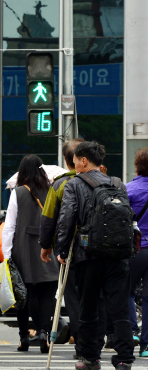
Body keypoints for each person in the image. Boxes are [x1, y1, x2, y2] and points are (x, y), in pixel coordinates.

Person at [56, 141, 135, 370]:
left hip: (87, 255)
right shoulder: (119, 184)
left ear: (83, 160)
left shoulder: (75, 185)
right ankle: (124, 359)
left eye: (75, 162)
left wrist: (62, 249)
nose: (73, 167)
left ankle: (90, 357)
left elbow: (67, 218)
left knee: (88, 308)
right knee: (119, 310)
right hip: (119, 255)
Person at [39, 138, 103, 360]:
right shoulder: (105, 181)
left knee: (74, 298)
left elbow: (49, 219)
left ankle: (82, 342)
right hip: (102, 249)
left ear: (70, 161)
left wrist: (46, 246)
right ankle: (98, 339)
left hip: (72, 252)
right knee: (98, 295)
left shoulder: (60, 184)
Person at [2, 154, 59, 354]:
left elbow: (9, 226)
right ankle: (43, 333)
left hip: (23, 249)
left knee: (23, 294)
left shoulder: (17, 192)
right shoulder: (53, 190)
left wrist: (7, 254)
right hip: (48, 247)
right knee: (47, 293)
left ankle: (24, 337)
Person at [126, 148, 148, 357]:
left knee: (128, 292)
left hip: (135, 249)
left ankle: (132, 331)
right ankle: (147, 345)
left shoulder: (128, 190)